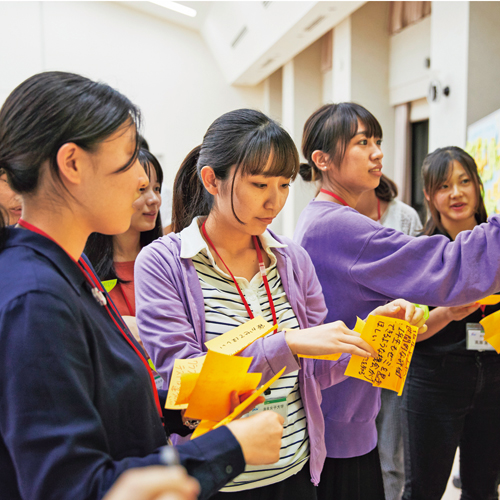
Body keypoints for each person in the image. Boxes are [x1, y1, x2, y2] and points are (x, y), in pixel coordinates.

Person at [0, 71, 286, 500]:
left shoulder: (68, 267)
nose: (141, 180)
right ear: (72, 163)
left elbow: (112, 403)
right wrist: (231, 447)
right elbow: (71, 485)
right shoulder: (36, 298)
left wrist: (202, 402)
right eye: (129, 159)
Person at [134, 108, 425, 500]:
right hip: (215, 483)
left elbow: (315, 374)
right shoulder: (164, 263)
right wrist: (286, 345)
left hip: (296, 473)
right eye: (258, 184)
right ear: (211, 180)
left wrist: (370, 332)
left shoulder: (290, 259)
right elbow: (183, 385)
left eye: (285, 184)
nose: (274, 201)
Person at [294, 102, 500, 500]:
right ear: (323, 160)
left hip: (343, 417)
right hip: (340, 426)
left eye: (378, 141)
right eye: (362, 142)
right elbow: (444, 265)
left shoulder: (323, 219)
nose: (377, 152)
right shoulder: (338, 225)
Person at [401, 146, 500, 500]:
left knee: (484, 490)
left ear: (477, 186)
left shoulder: (496, 246)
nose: (456, 193)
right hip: (434, 379)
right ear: (429, 195)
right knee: (423, 491)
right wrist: (448, 311)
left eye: (464, 182)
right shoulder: (421, 252)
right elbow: (406, 336)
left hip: (494, 378)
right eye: (444, 186)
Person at [356, 174, 422, 500]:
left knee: (391, 451)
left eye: (375, 144)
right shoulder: (334, 218)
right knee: (354, 447)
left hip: (396, 347)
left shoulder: (403, 216)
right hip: (352, 345)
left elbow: (420, 280)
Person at [85, 147, 163, 350]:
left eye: (157, 188)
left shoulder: (167, 260)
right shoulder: (85, 267)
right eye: (142, 189)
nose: (154, 199)